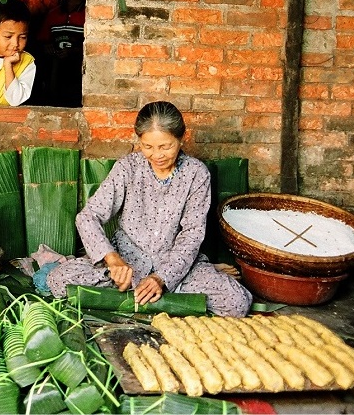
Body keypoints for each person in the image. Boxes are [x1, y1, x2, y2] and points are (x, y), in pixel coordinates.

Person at [46, 101, 253, 317]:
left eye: (166, 146)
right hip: (128, 264)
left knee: (237, 303)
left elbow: (192, 235)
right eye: (148, 147)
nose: (157, 155)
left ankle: (175, 284)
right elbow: (88, 216)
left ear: (182, 139)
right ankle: (164, 296)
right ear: (139, 141)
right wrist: (113, 259)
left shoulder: (196, 174)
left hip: (175, 266)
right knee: (58, 281)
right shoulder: (128, 167)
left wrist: (161, 278)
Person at [36, 0, 86, 107]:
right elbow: (42, 42)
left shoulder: (89, 15)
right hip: (55, 76)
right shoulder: (53, 14)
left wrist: (74, 52)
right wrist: (48, 48)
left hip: (79, 79)